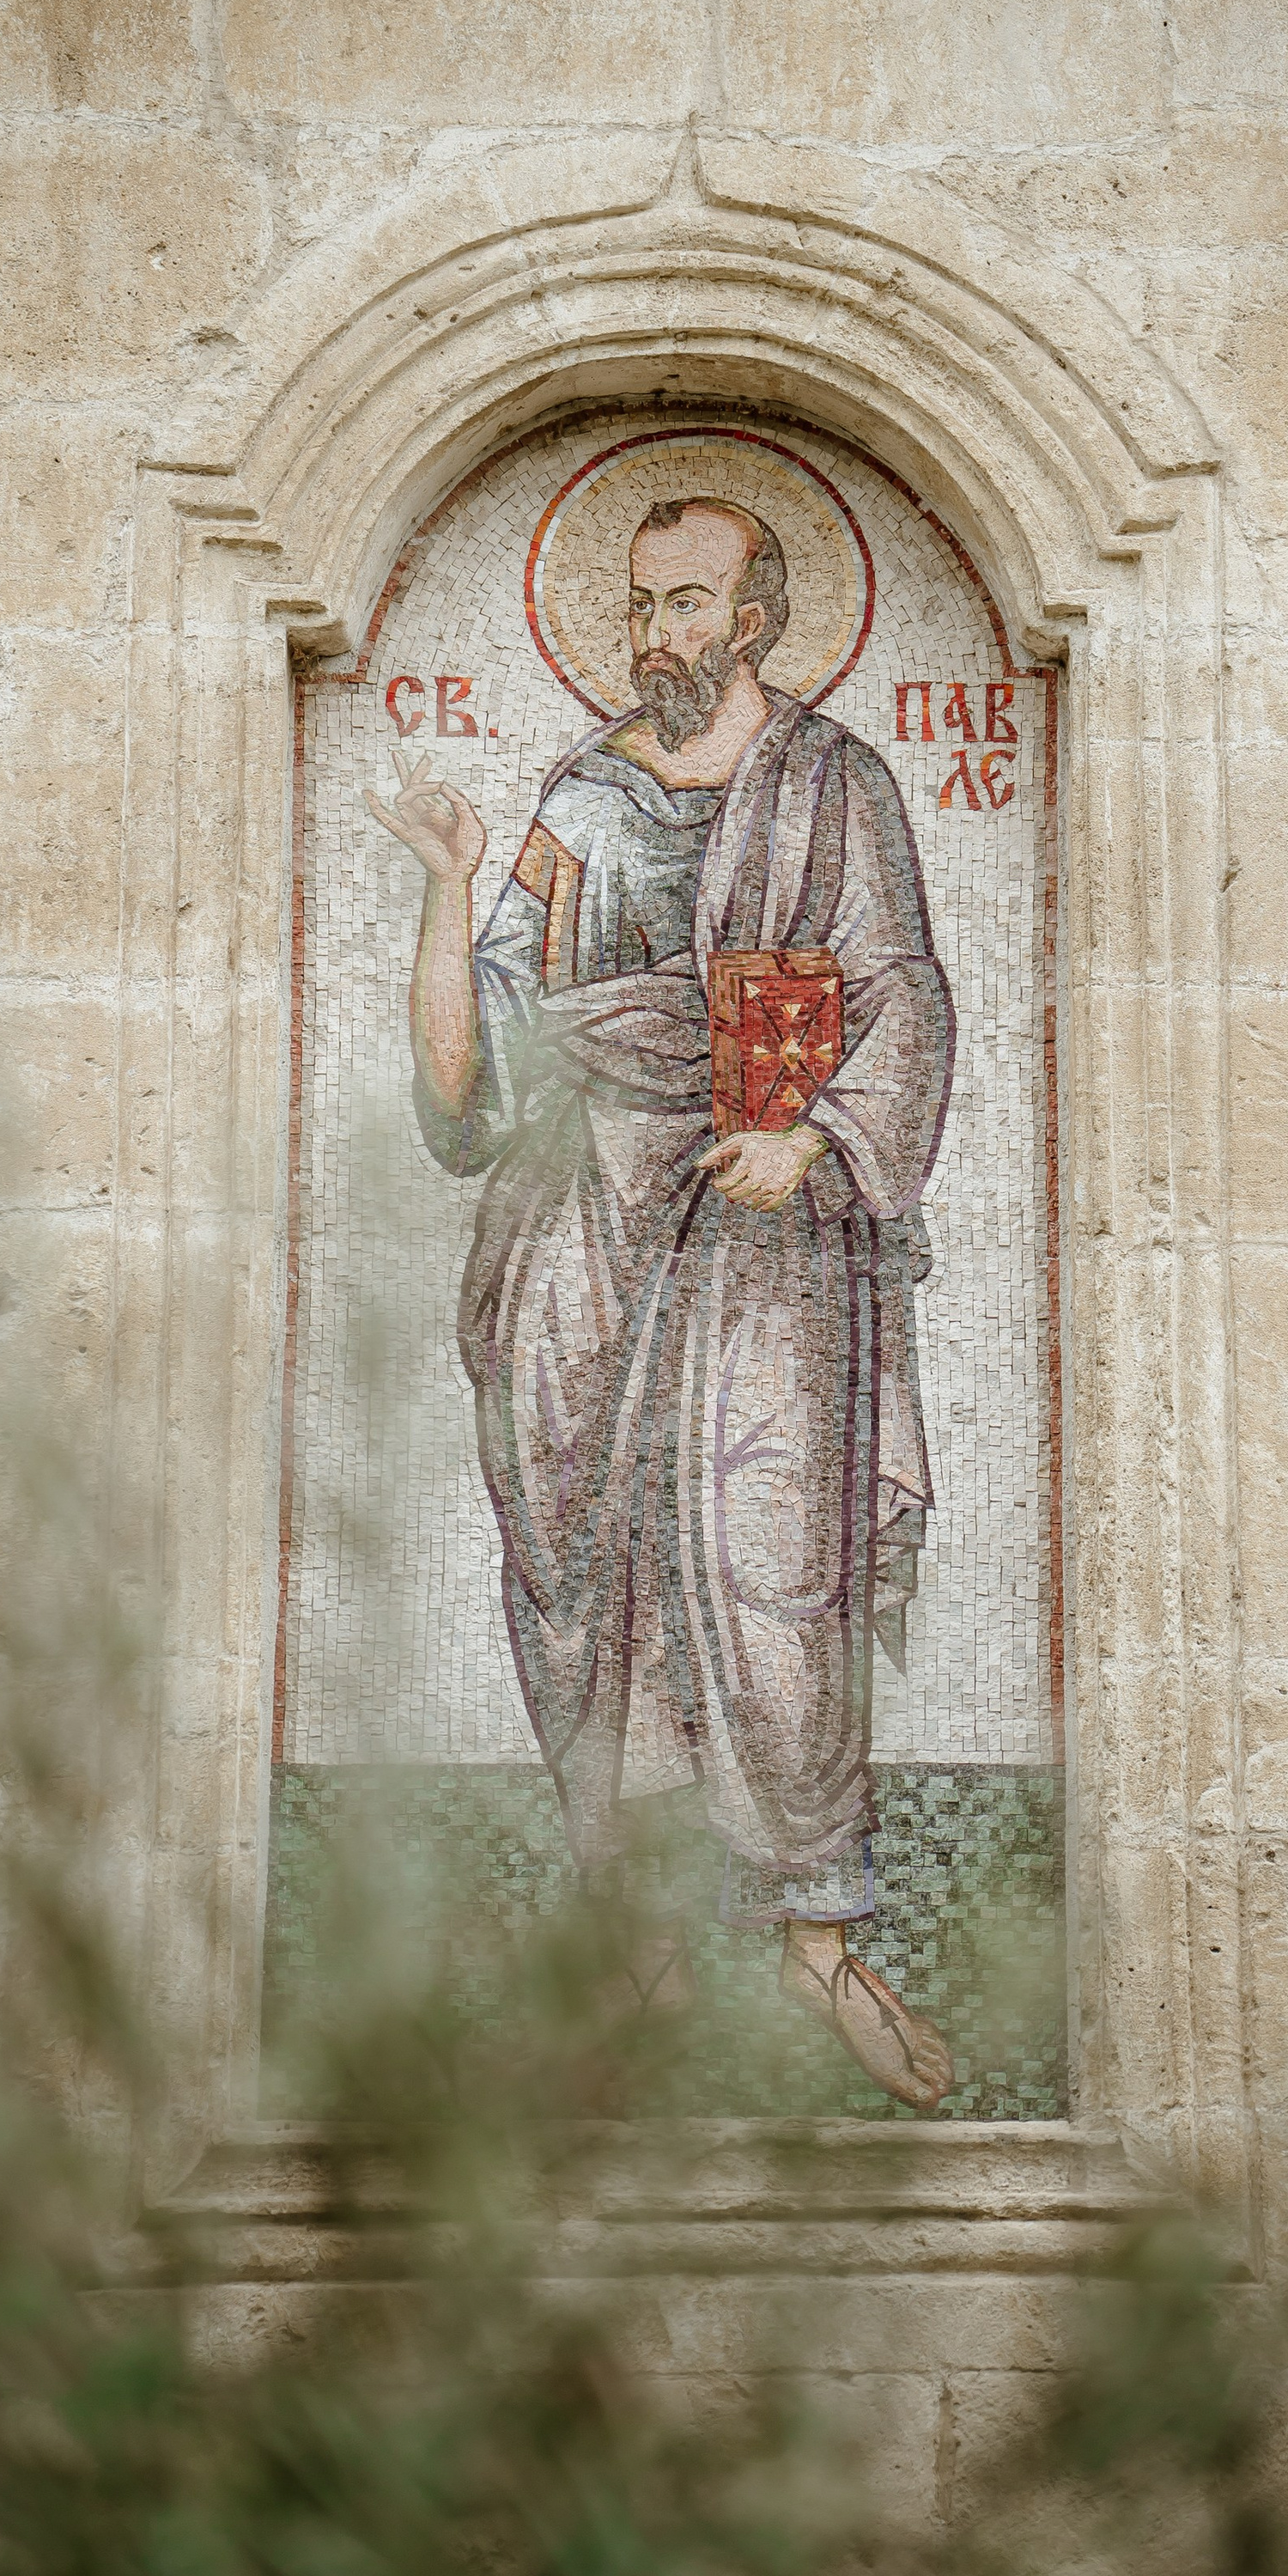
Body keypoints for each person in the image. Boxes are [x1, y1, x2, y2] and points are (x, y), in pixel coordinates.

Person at [368, 494, 957, 2107]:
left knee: (774, 1566)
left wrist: (818, 1139)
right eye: (637, 606)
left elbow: (900, 992)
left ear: (759, 618)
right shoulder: (588, 799)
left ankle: (822, 1944)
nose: (656, 637)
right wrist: (444, 884)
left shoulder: (835, 788)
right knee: (581, 1569)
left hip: (766, 1230)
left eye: (687, 604)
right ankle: (627, 1950)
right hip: (580, 1213)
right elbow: (471, 1067)